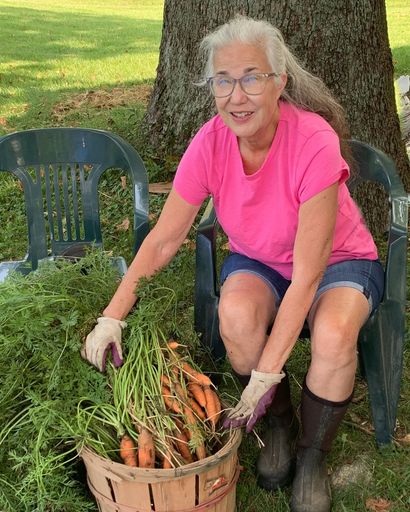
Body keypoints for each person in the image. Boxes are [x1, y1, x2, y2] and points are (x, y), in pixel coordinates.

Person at [82, 15, 384, 512]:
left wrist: (267, 370)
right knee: (236, 317)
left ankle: (311, 456)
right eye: (223, 80)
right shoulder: (210, 142)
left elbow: (308, 274)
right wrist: (112, 316)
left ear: (279, 82)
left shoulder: (312, 141)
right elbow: (163, 241)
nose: (236, 96)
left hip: (338, 262)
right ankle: (280, 424)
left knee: (332, 333)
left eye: (250, 77)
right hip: (261, 259)